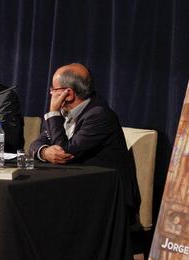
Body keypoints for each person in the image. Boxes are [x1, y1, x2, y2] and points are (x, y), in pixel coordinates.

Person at [30, 63, 140, 218]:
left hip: (109, 195)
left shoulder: (99, 115)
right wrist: (45, 151)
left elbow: (65, 153)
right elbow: (35, 144)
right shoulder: (65, 112)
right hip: (80, 184)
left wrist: (53, 113)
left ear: (68, 94)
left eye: (53, 90)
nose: (51, 94)